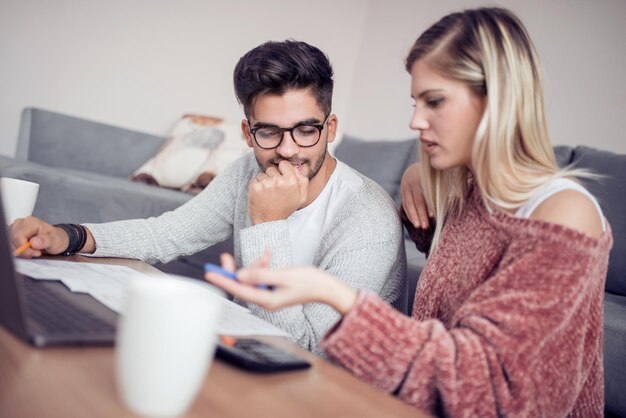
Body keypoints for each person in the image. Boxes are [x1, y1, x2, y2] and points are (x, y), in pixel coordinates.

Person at [205, 8, 612, 417]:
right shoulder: (464, 193)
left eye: (434, 101)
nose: (415, 121)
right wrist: (422, 173)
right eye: (416, 102)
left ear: (498, 101)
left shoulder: (564, 214)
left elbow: (488, 389)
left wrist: (337, 296)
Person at [9, 40, 407, 357]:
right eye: (269, 132)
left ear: (330, 127)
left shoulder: (367, 217)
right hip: (249, 361)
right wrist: (69, 235)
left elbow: (307, 353)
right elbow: (167, 235)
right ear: (248, 134)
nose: (288, 150)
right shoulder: (247, 171)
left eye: (305, 130)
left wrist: (267, 225)